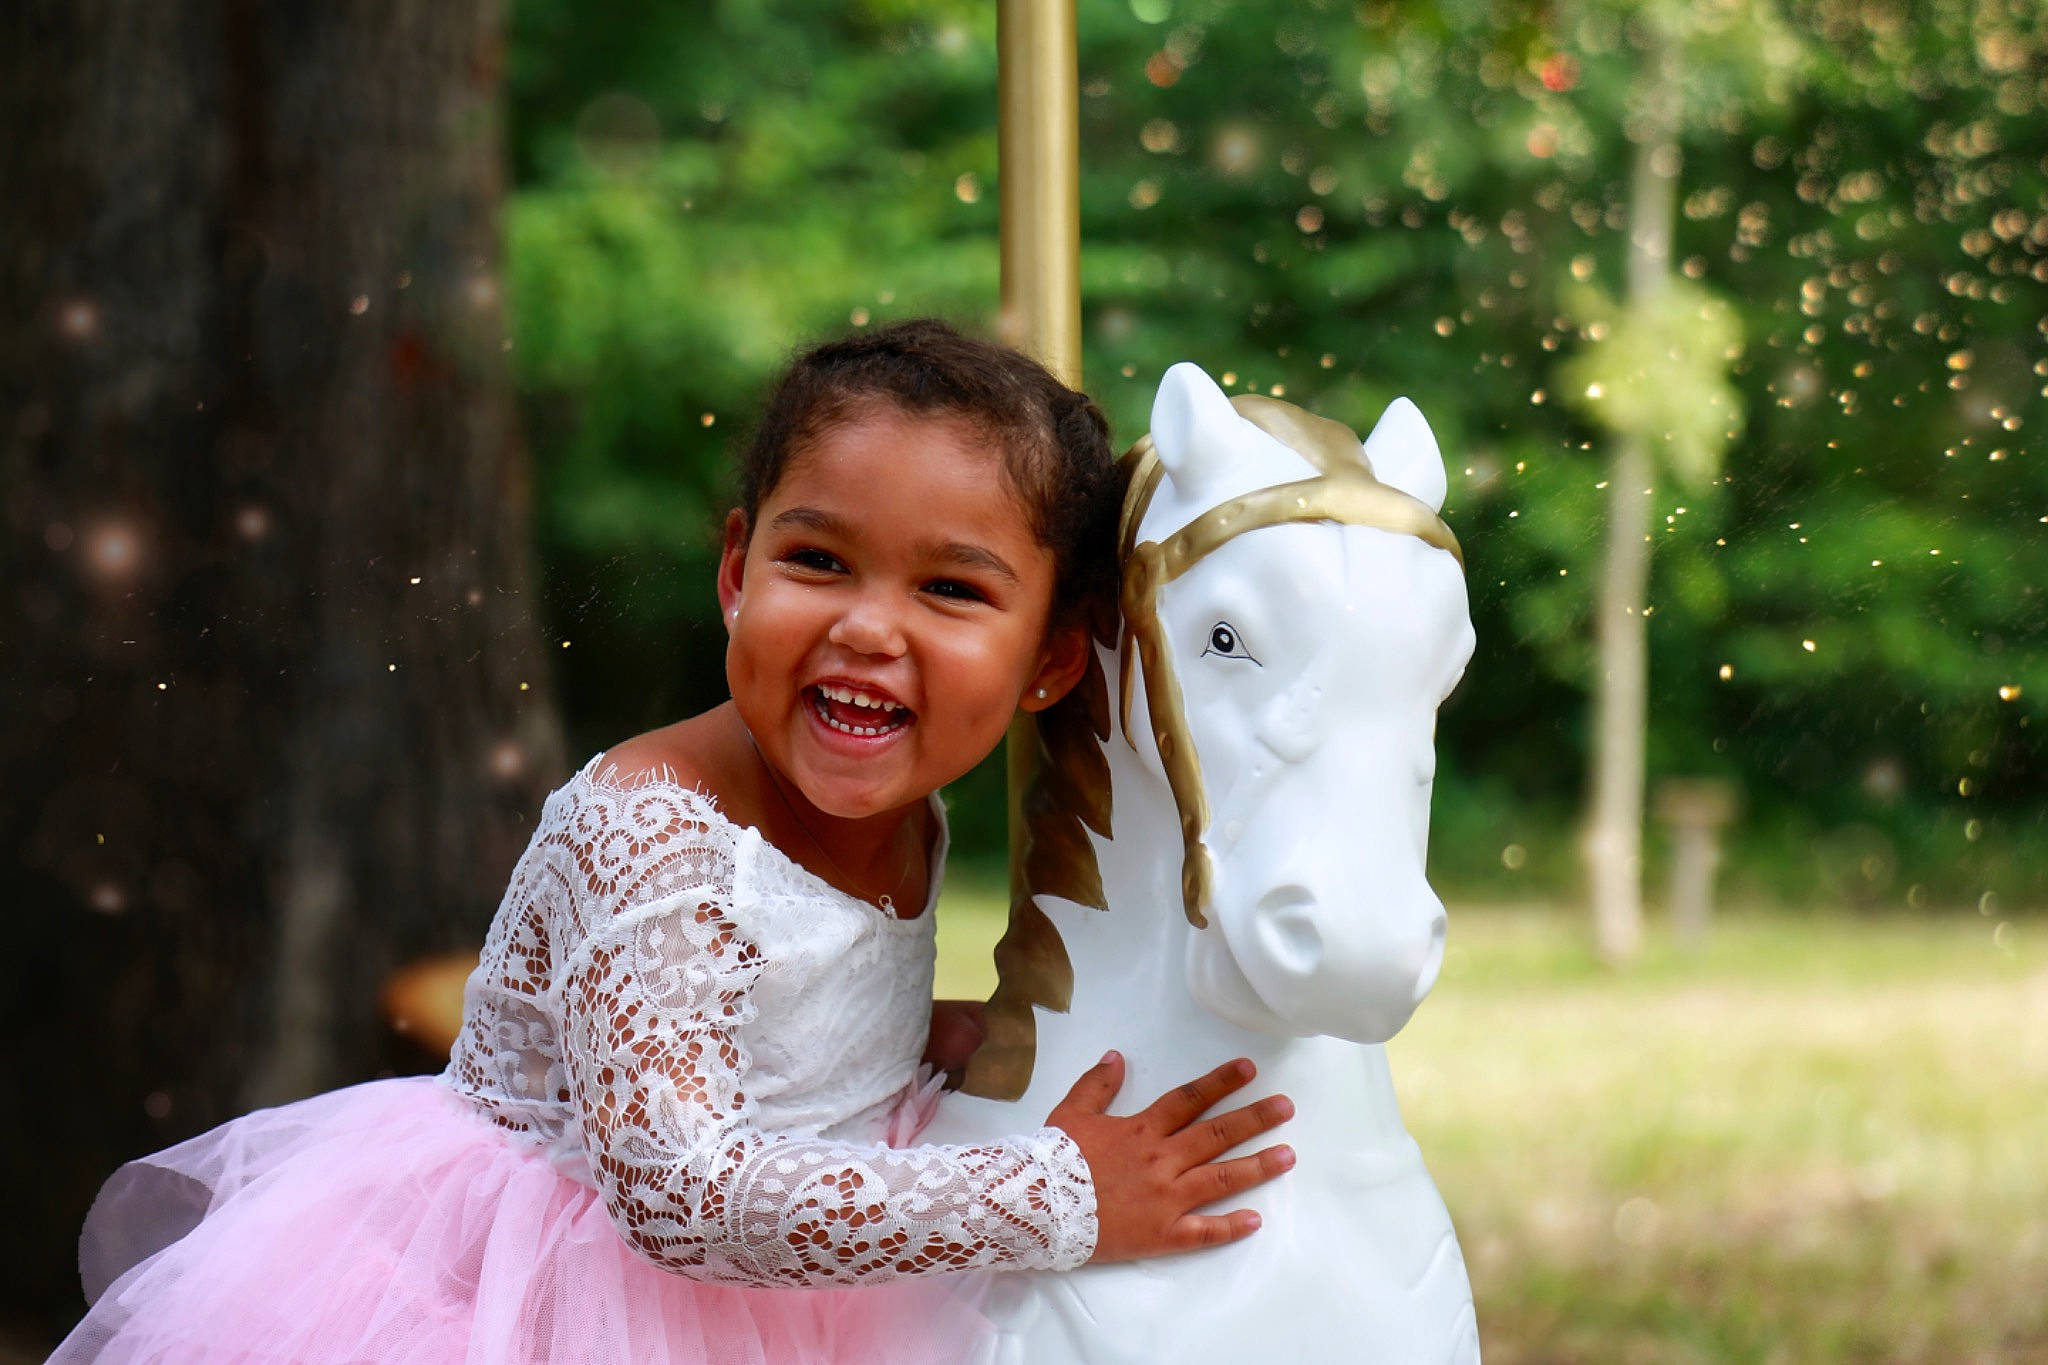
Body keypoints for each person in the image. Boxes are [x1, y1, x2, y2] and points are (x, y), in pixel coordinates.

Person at [55, 320, 1297, 1365]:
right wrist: (1061, 1192)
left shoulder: (900, 799)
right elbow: (680, 1192)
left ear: (1052, 659)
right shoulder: (649, 830)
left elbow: (746, 1009)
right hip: (564, 1298)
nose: (870, 628)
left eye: (950, 589)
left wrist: (906, 1036)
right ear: (737, 573)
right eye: (819, 560)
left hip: (789, 1282)